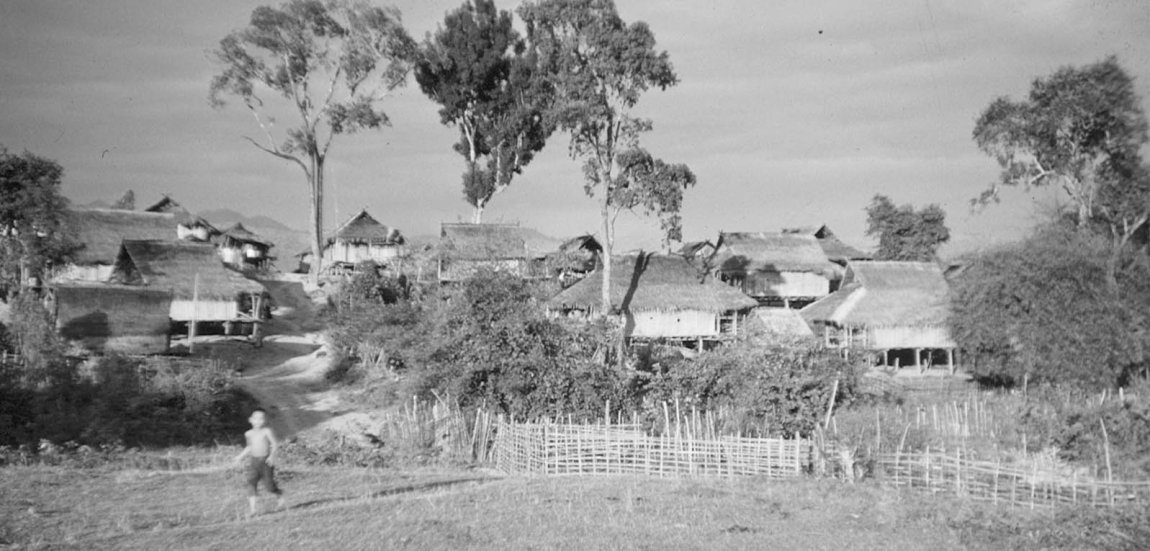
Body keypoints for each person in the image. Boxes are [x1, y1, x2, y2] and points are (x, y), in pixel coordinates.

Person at [235, 408, 284, 515]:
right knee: (251, 483)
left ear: (265, 420)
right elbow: (249, 447)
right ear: (250, 420)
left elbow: (275, 444)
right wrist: (240, 457)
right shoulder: (248, 433)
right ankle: (253, 510)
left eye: (261, 419)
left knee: (269, 487)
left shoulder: (267, 431)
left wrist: (272, 456)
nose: (258, 421)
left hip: (266, 462)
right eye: (255, 419)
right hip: (254, 462)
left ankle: (279, 494)